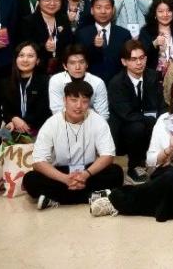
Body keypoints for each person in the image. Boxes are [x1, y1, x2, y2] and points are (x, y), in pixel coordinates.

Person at [89, 72, 173, 221]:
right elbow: (150, 160)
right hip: (165, 175)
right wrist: (168, 150)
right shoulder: (164, 119)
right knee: (168, 186)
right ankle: (123, 201)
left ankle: (116, 201)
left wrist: (171, 161)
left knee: (171, 182)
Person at [23, 79, 124, 209]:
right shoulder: (51, 123)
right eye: (74, 100)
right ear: (64, 100)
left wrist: (85, 175)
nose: (79, 106)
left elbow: (108, 155)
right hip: (61, 172)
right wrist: (65, 179)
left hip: (88, 171)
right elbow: (38, 161)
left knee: (116, 172)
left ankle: (55, 198)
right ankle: (92, 196)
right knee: (30, 179)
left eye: (84, 101)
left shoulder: (98, 121)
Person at [107, 41, 164, 183]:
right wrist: (152, 121)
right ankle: (135, 167)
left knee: (164, 120)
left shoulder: (153, 76)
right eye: (133, 59)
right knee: (137, 127)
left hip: (147, 121)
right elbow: (127, 114)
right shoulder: (116, 83)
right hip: (125, 127)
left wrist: (163, 119)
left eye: (142, 58)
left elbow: (161, 103)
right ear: (124, 62)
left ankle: (159, 162)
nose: (139, 63)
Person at [73, 0, 133, 82]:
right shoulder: (82, 34)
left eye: (107, 7)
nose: (103, 11)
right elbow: (78, 60)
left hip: (118, 83)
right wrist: (94, 47)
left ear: (113, 10)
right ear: (92, 10)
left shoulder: (124, 34)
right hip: (89, 82)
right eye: (98, 7)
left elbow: (128, 61)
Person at [20, 0, 75, 75]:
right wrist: (43, 46)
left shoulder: (64, 19)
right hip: (37, 69)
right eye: (47, 0)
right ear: (39, 1)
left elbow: (69, 43)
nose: (52, 4)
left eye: (56, 0)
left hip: (62, 70)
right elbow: (24, 46)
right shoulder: (28, 21)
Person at [0, 43, 53, 139]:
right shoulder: (6, 82)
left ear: (37, 61)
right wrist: (12, 119)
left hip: (38, 127)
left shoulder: (46, 81)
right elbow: (5, 110)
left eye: (30, 56)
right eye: (21, 55)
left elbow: (43, 111)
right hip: (13, 124)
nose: (25, 60)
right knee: (3, 135)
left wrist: (21, 123)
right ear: (16, 59)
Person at [48, 44, 110, 119]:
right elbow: (57, 112)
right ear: (65, 66)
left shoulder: (98, 83)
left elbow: (103, 115)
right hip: (64, 124)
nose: (77, 67)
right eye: (72, 63)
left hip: (92, 124)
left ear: (87, 64)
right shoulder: (56, 81)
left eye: (81, 62)